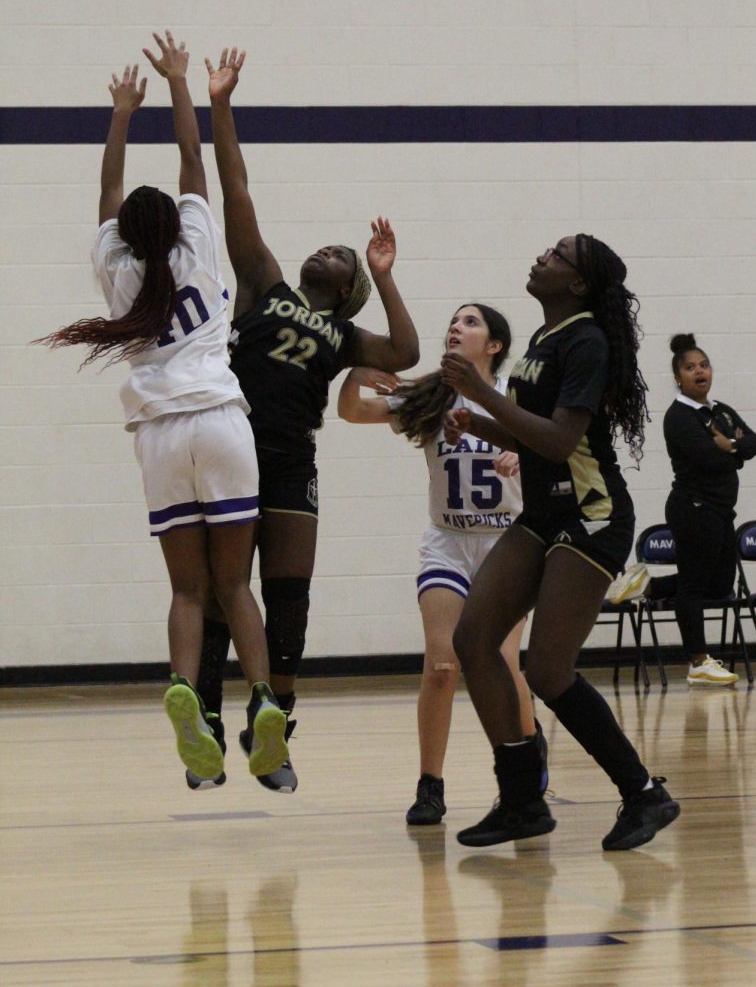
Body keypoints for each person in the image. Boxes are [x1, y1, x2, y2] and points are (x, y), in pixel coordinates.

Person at [38, 32, 288, 785]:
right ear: (178, 228)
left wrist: (117, 115)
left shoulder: (117, 273)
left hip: (158, 436)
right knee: (236, 585)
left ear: (126, 239)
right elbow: (192, 160)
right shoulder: (200, 248)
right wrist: (184, 86)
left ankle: (184, 687)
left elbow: (108, 197)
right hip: (219, 419)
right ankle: (265, 700)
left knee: (186, 589)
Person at [187, 45, 420, 793]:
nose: (333, 251)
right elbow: (236, 189)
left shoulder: (349, 335)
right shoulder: (264, 281)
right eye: (335, 249)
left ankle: (275, 733)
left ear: (347, 291)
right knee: (227, 593)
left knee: (289, 599)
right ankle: (210, 730)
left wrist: (386, 278)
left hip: (293, 460)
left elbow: (408, 350)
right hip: (233, 446)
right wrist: (220, 104)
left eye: (346, 259)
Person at [440, 235, 680, 851]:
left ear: (576, 283)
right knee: (471, 639)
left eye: (557, 255)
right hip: (545, 514)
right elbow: (536, 436)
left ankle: (643, 794)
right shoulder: (543, 341)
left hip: (591, 514)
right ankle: (521, 799)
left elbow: (559, 441)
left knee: (547, 670)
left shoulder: (587, 341)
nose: (542, 255)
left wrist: (480, 394)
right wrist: (482, 424)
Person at [337, 304, 548, 826]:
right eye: (453, 320)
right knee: (442, 666)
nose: (456, 327)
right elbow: (353, 412)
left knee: (501, 661)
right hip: (448, 541)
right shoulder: (431, 393)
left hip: (508, 542)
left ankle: (521, 773)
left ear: (494, 345)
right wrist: (353, 374)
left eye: (470, 322)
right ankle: (430, 784)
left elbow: (562, 450)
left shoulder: (517, 399)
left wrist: (525, 457)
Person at [610, 333, 756, 687]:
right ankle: (698, 662)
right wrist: (729, 452)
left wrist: (732, 445)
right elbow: (710, 460)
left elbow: (752, 443)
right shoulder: (678, 417)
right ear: (679, 377)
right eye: (690, 368)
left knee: (719, 583)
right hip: (694, 508)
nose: (699, 372)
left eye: (704, 365)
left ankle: (649, 585)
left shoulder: (719, 410)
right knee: (694, 585)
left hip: (721, 511)